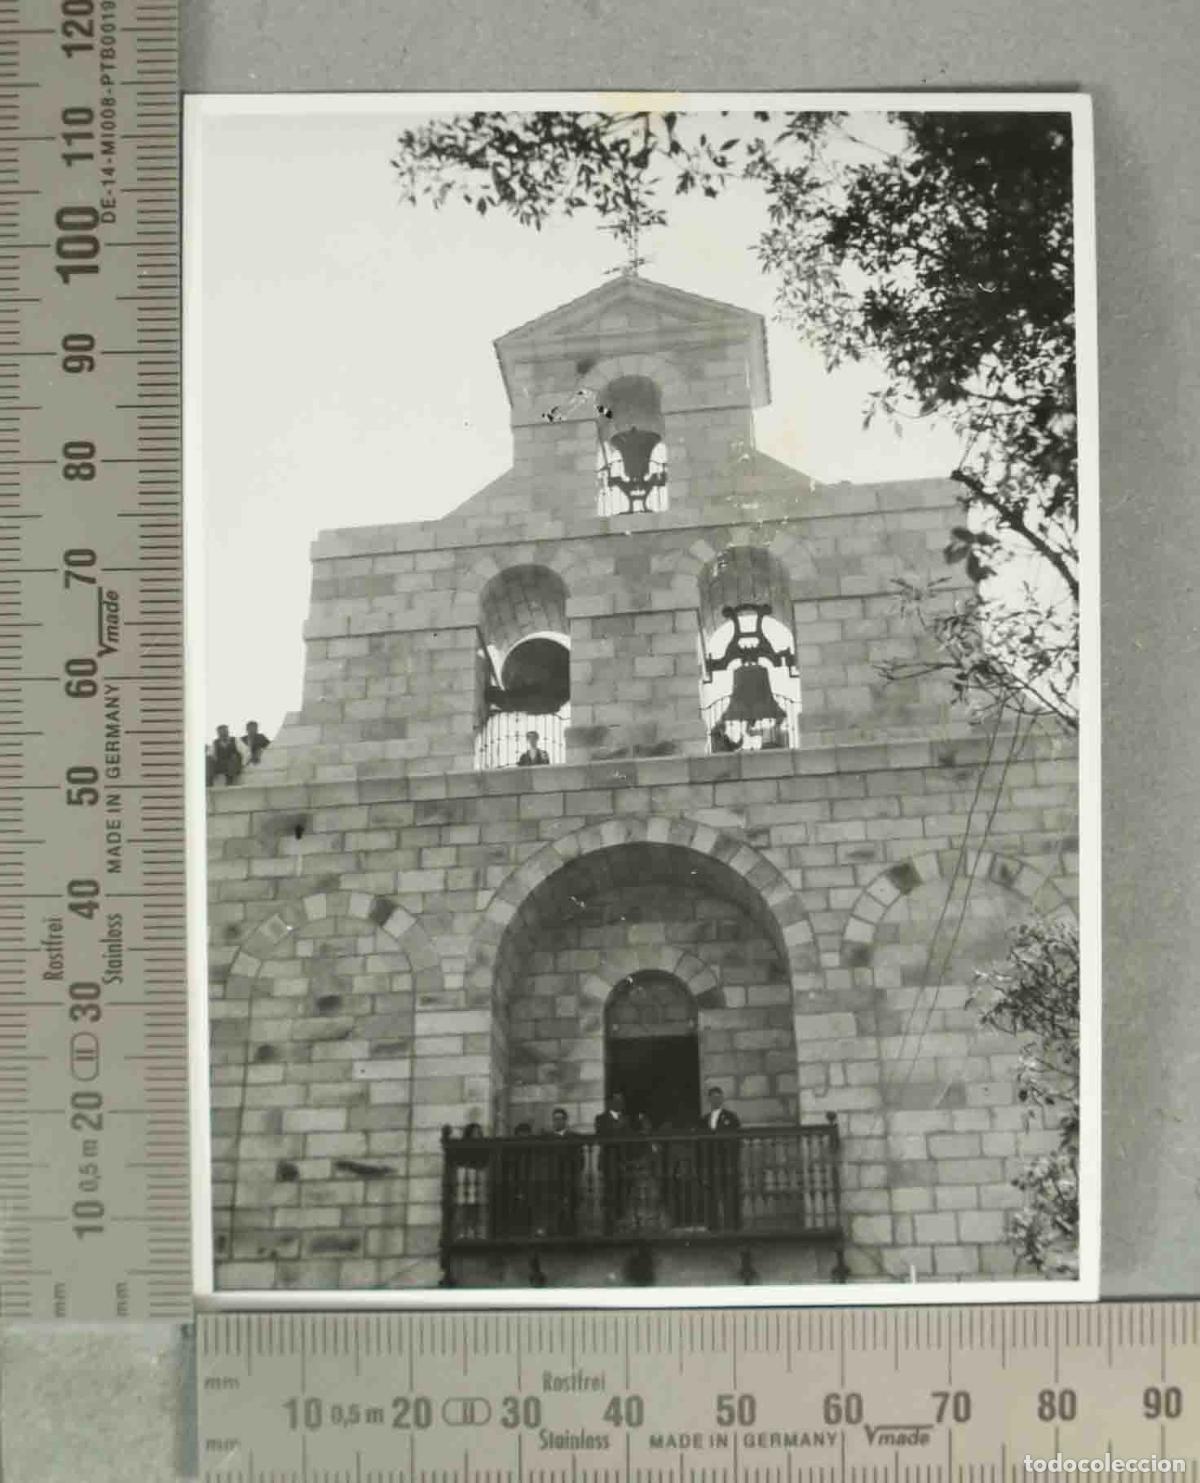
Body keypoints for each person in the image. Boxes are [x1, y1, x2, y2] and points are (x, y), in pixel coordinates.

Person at [697, 1086, 742, 1232]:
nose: (716, 1100)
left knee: (730, 1196)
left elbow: (737, 1139)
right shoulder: (704, 1120)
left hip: (727, 1163)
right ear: (709, 1100)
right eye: (713, 1097)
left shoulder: (731, 1117)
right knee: (712, 1197)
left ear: (722, 1099)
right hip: (711, 1164)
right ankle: (713, 1227)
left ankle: (733, 1227)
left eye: (719, 1097)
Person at [542, 1107, 583, 1236]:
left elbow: (580, 1158)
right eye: (555, 1119)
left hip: (570, 1177)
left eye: (560, 1119)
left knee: (571, 1208)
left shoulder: (574, 1137)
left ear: (565, 1120)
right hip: (553, 1178)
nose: (557, 1122)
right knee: (555, 1208)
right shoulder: (547, 1138)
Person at [594, 1091, 630, 1234]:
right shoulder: (601, 1118)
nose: (619, 1103)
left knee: (624, 1194)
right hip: (609, 1161)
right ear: (610, 1103)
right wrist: (618, 1126)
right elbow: (601, 1136)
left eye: (621, 1100)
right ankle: (609, 1227)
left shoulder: (626, 1119)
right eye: (616, 1100)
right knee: (610, 1194)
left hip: (624, 1161)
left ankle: (621, 1226)